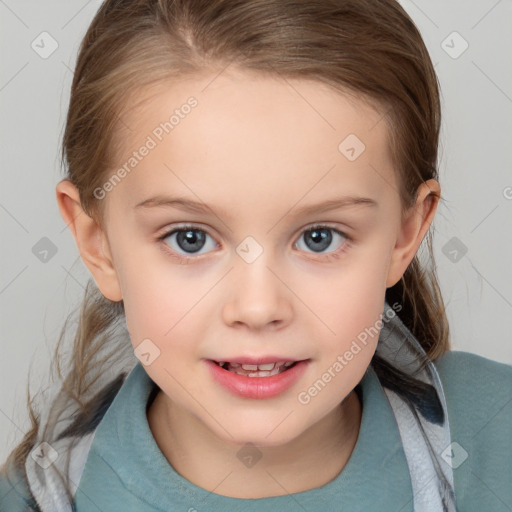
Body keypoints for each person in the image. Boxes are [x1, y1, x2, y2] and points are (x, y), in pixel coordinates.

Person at [1, 0, 511, 510]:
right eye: (190, 239)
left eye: (319, 237)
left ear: (406, 233)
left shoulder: (495, 435)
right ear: (99, 245)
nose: (258, 307)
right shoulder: (40, 498)